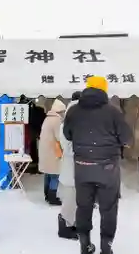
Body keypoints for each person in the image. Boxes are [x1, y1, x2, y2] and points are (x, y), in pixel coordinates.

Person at [63, 76, 132, 254]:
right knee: (108, 208)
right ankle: (106, 247)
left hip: (82, 166)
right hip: (107, 168)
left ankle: (84, 244)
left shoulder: (74, 111)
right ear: (104, 90)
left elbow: (68, 135)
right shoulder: (113, 112)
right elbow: (126, 137)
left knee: (83, 206)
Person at [57, 91, 81, 240]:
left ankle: (70, 224)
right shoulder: (71, 120)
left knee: (73, 199)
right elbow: (68, 147)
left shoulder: (69, 119)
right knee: (71, 199)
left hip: (74, 167)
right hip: (72, 165)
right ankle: (65, 227)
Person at [38, 99, 66, 205]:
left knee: (48, 174)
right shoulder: (56, 120)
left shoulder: (48, 118)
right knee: (55, 174)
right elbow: (59, 137)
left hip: (46, 150)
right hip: (53, 151)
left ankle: (47, 195)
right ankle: (52, 197)